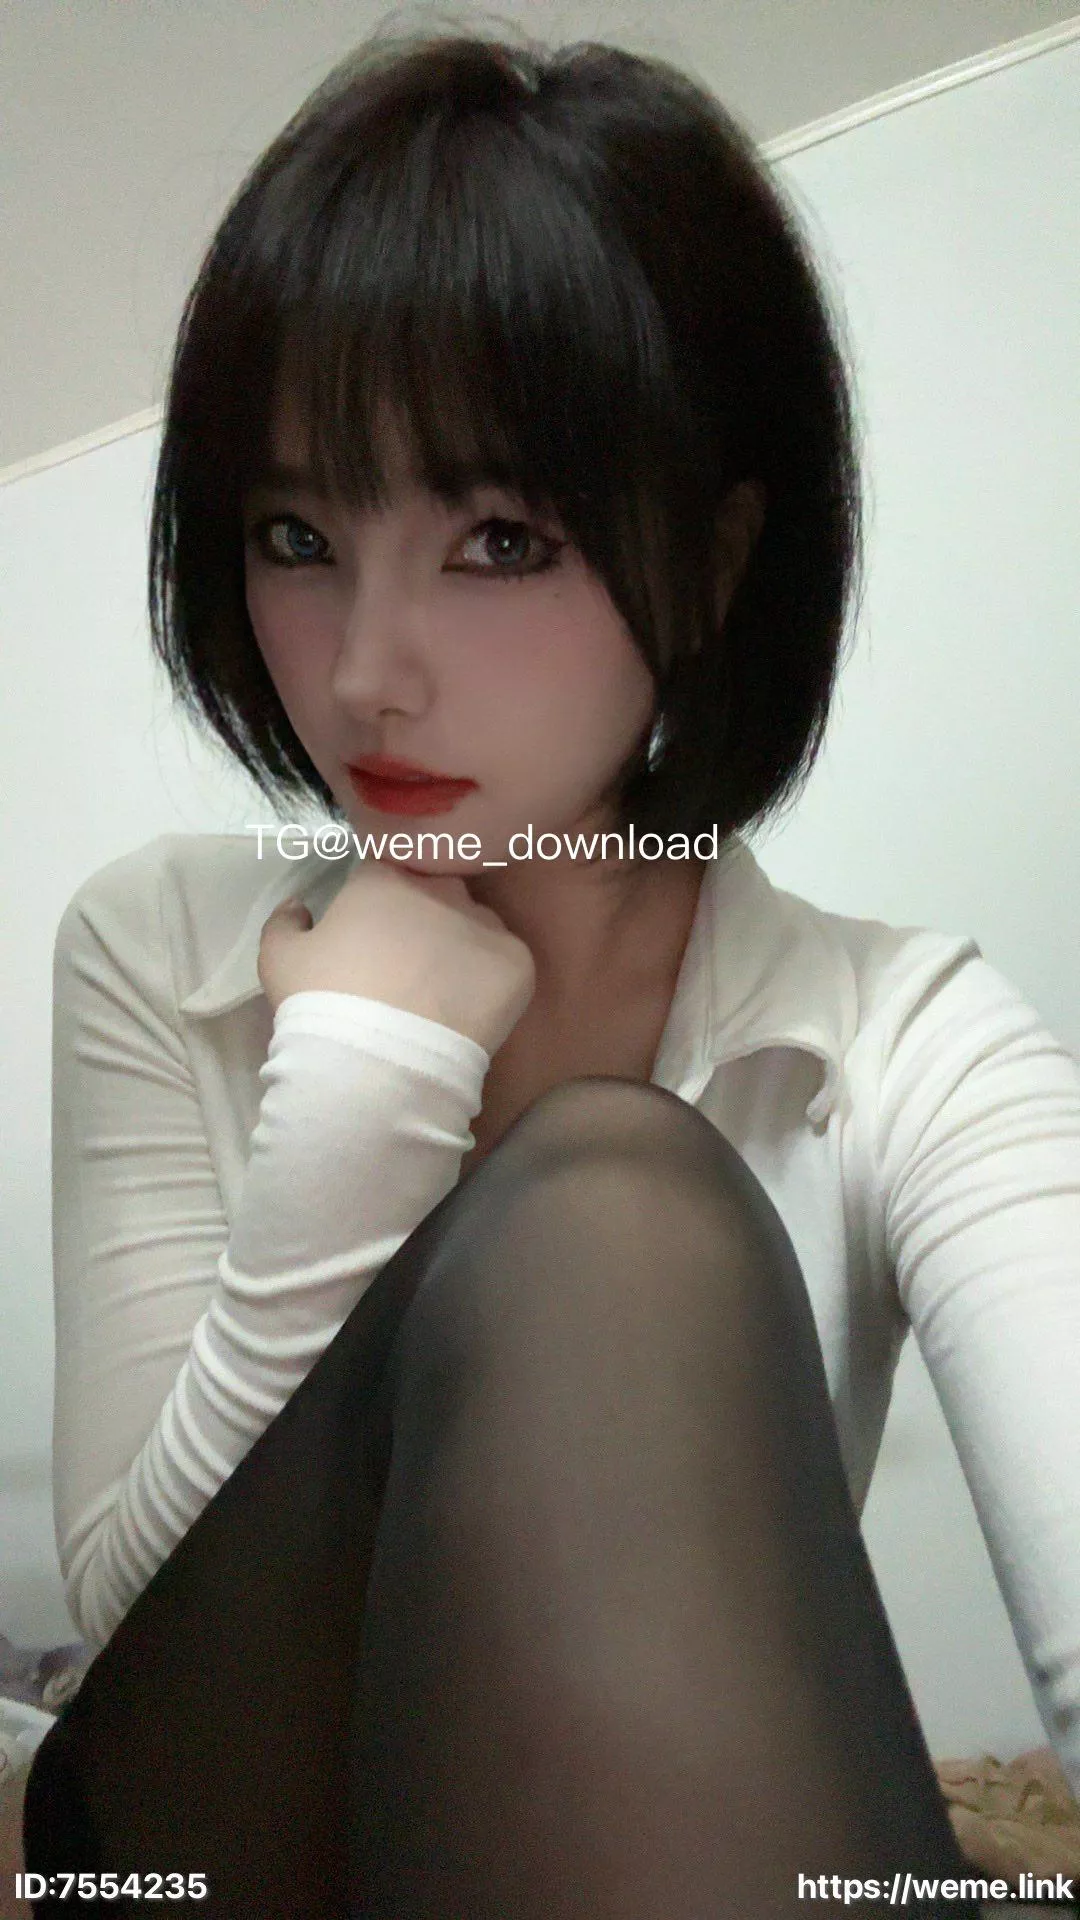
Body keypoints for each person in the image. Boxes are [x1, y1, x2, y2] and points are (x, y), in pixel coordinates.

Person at [21, 21, 1079, 1920]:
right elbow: (130, 1656)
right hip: (191, 1855)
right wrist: (355, 1088)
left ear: (716, 558)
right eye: (296, 536)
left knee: (612, 1204)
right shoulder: (155, 945)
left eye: (501, 537)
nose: (365, 671)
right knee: (609, 1208)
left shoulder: (899, 1040)